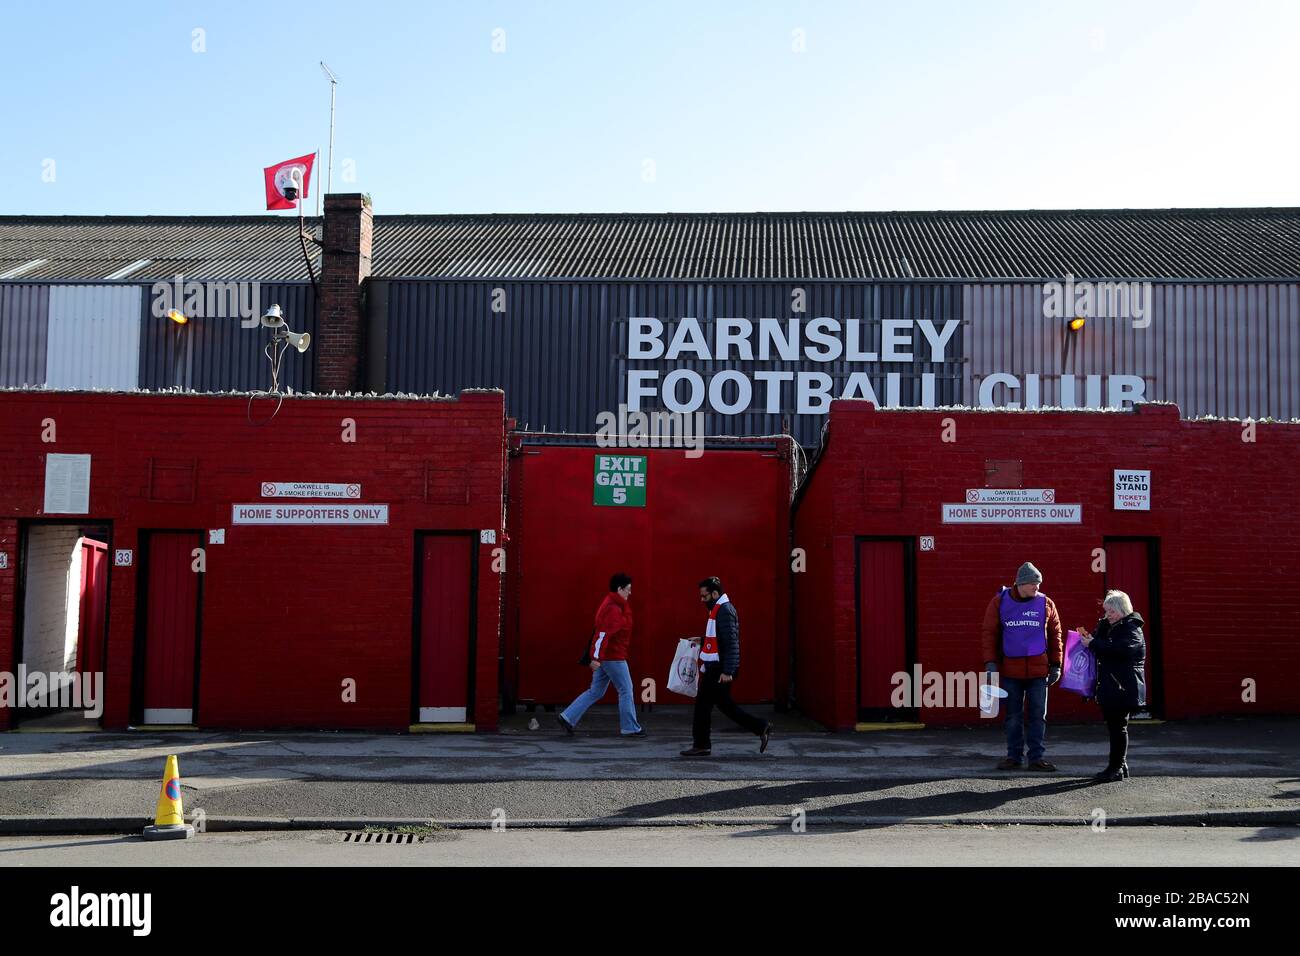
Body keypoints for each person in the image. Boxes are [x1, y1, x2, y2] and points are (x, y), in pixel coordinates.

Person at [981, 561, 1064, 771]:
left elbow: (1056, 636)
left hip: (1039, 672)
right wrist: (990, 663)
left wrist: (1056, 665)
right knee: (1013, 717)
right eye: (1034, 584)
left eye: (1039, 584)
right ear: (1021, 583)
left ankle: (1036, 758)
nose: (1038, 588)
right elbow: (989, 634)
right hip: (1011, 671)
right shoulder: (999, 602)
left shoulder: (1047, 604)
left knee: (1038, 716)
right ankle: (1014, 756)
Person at [680, 577, 772, 757]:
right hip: (718, 666)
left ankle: (701, 745)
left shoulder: (724, 611)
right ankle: (761, 726)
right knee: (725, 705)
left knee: (703, 706)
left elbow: (731, 643)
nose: (702, 600)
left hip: (719, 668)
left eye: (704, 596)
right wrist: (703, 640)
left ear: (715, 594)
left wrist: (728, 671)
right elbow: (721, 640)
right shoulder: (718, 609)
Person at [557, 573, 645, 737]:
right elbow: (602, 635)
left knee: (596, 691)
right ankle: (630, 728)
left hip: (607, 656)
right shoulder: (613, 609)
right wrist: (595, 658)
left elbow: (602, 634)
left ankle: (567, 717)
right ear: (619, 589)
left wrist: (597, 657)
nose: (630, 593)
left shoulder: (614, 604)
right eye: (628, 589)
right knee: (626, 690)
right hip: (614, 657)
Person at [1078, 590, 1147, 783]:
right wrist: (1091, 638)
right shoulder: (1109, 626)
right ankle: (1120, 765)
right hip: (1111, 685)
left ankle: (1115, 767)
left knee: (1118, 727)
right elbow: (1101, 645)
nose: (1108, 615)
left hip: (1122, 687)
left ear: (1123, 610)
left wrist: (1093, 644)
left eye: (1112, 612)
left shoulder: (1131, 629)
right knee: (1115, 727)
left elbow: (1121, 650)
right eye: (1106, 611)